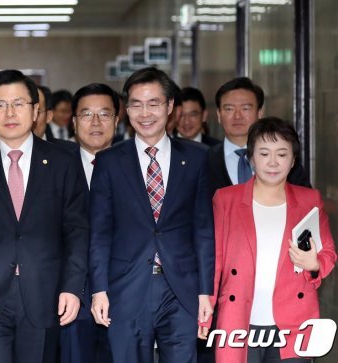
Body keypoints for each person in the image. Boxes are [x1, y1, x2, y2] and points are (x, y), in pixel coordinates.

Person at [0, 70, 89, 363]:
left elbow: (77, 231)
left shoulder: (63, 162)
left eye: (19, 103)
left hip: (44, 295)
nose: (9, 113)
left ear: (36, 110)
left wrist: (72, 288)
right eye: (0, 105)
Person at [89, 67, 215, 363]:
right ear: (126, 109)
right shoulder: (108, 161)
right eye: (136, 104)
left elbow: (203, 229)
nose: (145, 113)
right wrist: (99, 289)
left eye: (154, 103)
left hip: (181, 289)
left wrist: (205, 291)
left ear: (170, 106)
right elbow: (99, 231)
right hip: (125, 288)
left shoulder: (196, 158)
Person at [209, 117, 337, 362]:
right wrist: (205, 313)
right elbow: (215, 260)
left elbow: (328, 253)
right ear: (251, 158)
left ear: (293, 161)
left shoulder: (310, 200)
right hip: (238, 320)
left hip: (293, 323)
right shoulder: (226, 199)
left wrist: (314, 264)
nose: (272, 162)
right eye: (264, 153)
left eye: (282, 154)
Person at [60, 83, 119, 363]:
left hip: (123, 294)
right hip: (70, 298)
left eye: (104, 114)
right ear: (73, 122)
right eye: (86, 114)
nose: (95, 122)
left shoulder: (136, 165)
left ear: (117, 121)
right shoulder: (54, 166)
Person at [208, 77, 309, 193]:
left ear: (260, 113)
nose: (237, 116)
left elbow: (304, 199)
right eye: (229, 109)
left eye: (245, 108)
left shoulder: (282, 156)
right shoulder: (204, 160)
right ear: (219, 115)